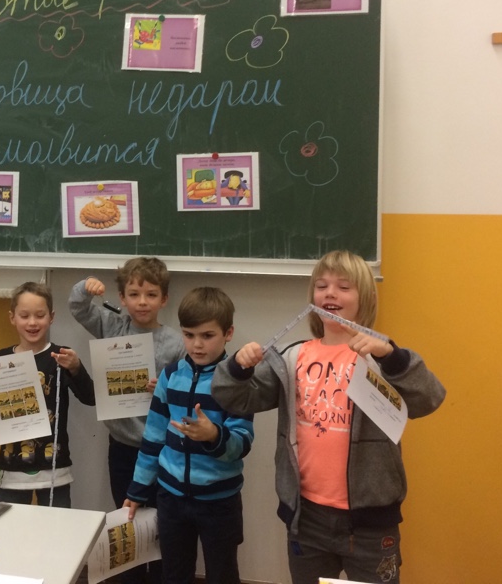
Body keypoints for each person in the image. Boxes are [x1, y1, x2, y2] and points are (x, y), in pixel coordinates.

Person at [212, 250, 447, 584]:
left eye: (344, 287)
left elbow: (429, 398)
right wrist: (237, 367)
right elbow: (233, 398)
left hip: (370, 524)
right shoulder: (292, 357)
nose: (330, 293)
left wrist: (393, 357)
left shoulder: (380, 359)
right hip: (306, 518)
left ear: (365, 298)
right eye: (321, 286)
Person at [124, 286, 254, 584]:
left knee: (222, 575)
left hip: (219, 502)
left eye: (207, 335)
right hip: (171, 498)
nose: (197, 344)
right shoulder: (170, 376)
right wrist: (137, 490)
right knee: (174, 574)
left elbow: (243, 441)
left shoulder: (236, 381)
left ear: (228, 333)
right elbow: (153, 438)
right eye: (189, 334)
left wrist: (213, 435)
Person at [70, 256, 184, 584]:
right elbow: (77, 307)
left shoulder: (176, 342)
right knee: (128, 521)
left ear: (164, 299)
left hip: (162, 449)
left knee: (162, 524)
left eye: (151, 294)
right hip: (122, 447)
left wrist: (165, 388)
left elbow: (185, 394)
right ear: (122, 298)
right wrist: (85, 287)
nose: (142, 301)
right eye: (134, 294)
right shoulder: (112, 326)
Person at [0, 282, 95, 507]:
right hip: (12, 467)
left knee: (57, 526)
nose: (32, 322)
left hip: (55, 468)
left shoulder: (61, 357)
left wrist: (76, 368)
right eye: (24, 316)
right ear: (12, 318)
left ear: (51, 317)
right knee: (11, 526)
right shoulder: (1, 359)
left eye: (40, 315)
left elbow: (91, 398)